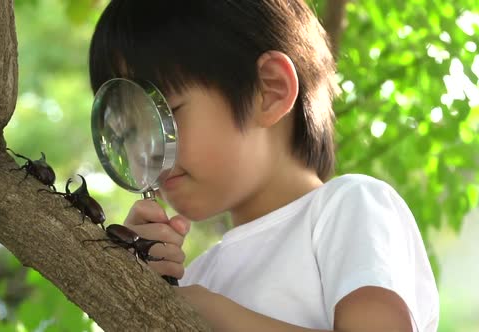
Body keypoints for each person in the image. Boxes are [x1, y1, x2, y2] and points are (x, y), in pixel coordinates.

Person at [88, 1, 439, 331]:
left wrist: (216, 315)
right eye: (132, 132)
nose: (146, 152)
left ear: (269, 90)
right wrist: (138, 283)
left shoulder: (348, 206)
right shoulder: (198, 277)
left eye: (167, 114)